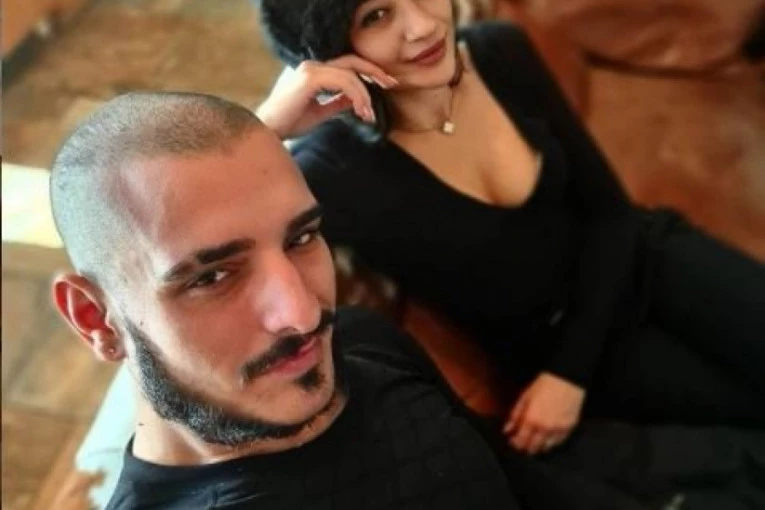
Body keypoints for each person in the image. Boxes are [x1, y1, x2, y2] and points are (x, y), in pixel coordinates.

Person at [254, 0, 765, 456]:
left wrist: (568, 375)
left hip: (644, 254)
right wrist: (267, 128)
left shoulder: (497, 50)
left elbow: (610, 213)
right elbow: (213, 248)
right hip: (584, 347)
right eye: (377, 15)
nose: (423, 25)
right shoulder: (331, 173)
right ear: (330, 50)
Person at [48, 91, 525, 509]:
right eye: (212, 276)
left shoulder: (360, 342)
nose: (304, 314)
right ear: (97, 321)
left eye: (301, 238)